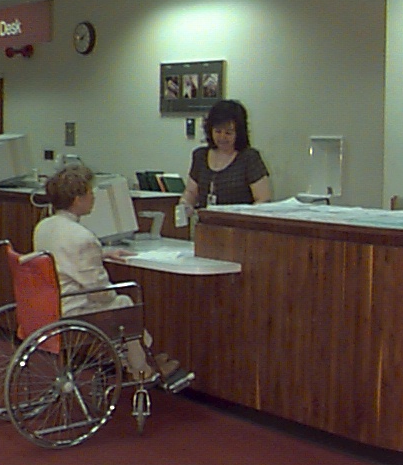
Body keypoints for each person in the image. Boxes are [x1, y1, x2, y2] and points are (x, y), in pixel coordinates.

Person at [34, 164, 179, 380]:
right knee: (123, 303)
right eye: (90, 193)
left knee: (118, 304)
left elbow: (62, 255)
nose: (93, 197)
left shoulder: (44, 227)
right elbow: (101, 292)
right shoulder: (82, 237)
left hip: (47, 306)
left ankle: (137, 360)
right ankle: (142, 368)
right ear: (77, 199)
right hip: (72, 311)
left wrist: (100, 253)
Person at [179, 99, 271, 214]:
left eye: (228, 133)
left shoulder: (249, 158)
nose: (222, 137)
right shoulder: (200, 156)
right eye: (218, 131)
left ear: (239, 133)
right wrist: (185, 204)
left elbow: (263, 199)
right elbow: (191, 192)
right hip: (205, 224)